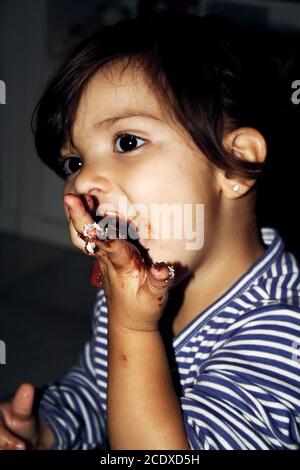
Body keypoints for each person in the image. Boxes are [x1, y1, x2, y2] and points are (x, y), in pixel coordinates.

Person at [0, 12, 299, 450]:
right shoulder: (128, 293)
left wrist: (134, 331)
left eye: (126, 142)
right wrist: (44, 432)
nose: (82, 182)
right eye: (74, 162)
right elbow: (96, 391)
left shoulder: (284, 328)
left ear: (235, 164)